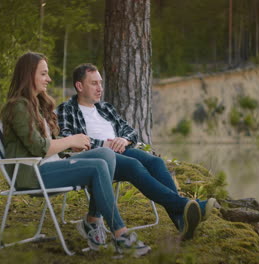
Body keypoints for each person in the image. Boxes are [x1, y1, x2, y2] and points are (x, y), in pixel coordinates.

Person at [0, 52, 150, 256]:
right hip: (31, 174)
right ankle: (120, 234)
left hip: (48, 165)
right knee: (97, 166)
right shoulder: (18, 106)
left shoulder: (35, 104)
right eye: (43, 74)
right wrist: (71, 141)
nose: (49, 79)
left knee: (105, 154)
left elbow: (48, 144)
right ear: (29, 75)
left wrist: (72, 144)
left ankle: (93, 221)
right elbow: (39, 148)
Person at [56, 63, 217, 240]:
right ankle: (186, 206)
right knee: (134, 165)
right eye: (94, 83)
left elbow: (131, 131)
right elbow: (68, 138)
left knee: (155, 162)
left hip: (121, 151)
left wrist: (123, 140)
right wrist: (105, 144)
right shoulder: (67, 109)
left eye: (100, 83)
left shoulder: (105, 108)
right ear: (79, 86)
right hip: (96, 159)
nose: (100, 88)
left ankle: (181, 221)